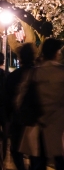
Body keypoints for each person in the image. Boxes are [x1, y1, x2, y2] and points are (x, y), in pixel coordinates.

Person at [17, 38, 64, 170]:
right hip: (58, 127)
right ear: (56, 53)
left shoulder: (34, 73)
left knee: (38, 161)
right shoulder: (61, 72)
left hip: (36, 126)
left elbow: (20, 99)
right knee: (59, 160)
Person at [5, 43, 36, 170]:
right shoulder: (39, 73)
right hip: (36, 119)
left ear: (20, 58)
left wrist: (7, 119)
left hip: (18, 118)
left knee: (16, 149)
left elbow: (7, 100)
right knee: (35, 151)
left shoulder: (13, 76)